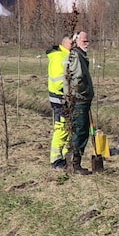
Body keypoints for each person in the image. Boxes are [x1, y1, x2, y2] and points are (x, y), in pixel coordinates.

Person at [63, 31, 94, 176]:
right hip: (79, 100)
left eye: (88, 41)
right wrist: (83, 93)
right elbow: (78, 77)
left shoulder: (79, 55)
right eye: (84, 41)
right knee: (80, 131)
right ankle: (74, 164)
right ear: (76, 41)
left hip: (79, 99)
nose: (87, 44)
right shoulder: (76, 55)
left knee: (79, 130)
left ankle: (73, 163)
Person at [46, 33, 72, 170]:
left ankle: (65, 157)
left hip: (67, 99)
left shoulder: (67, 56)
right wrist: (71, 90)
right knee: (61, 129)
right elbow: (58, 82)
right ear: (65, 43)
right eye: (71, 44)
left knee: (68, 129)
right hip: (60, 100)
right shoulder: (58, 57)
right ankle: (56, 160)